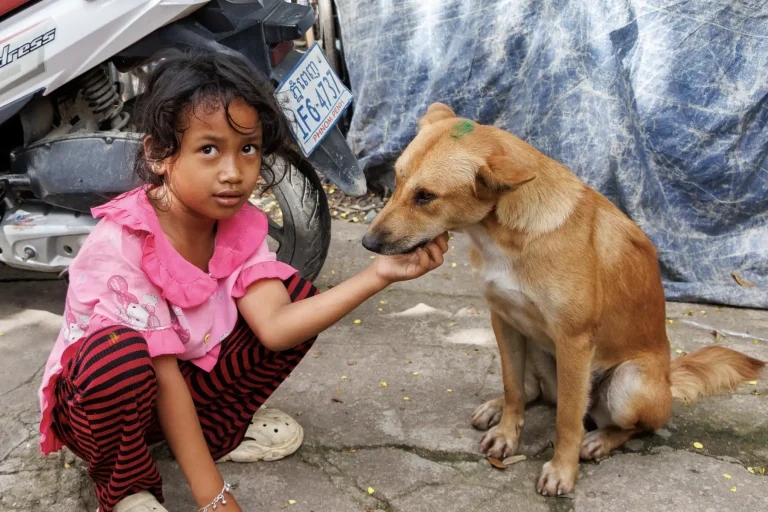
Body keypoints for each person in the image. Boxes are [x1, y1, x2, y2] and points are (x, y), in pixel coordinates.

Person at [38, 48, 448, 512]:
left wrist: (379, 274)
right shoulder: (123, 242)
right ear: (158, 154)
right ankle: (127, 487)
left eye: (247, 148)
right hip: (100, 406)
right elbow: (163, 374)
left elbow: (275, 327)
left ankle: (216, 432)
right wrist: (213, 497)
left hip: (174, 388)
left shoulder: (236, 224)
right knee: (120, 356)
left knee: (295, 297)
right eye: (208, 149)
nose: (234, 173)